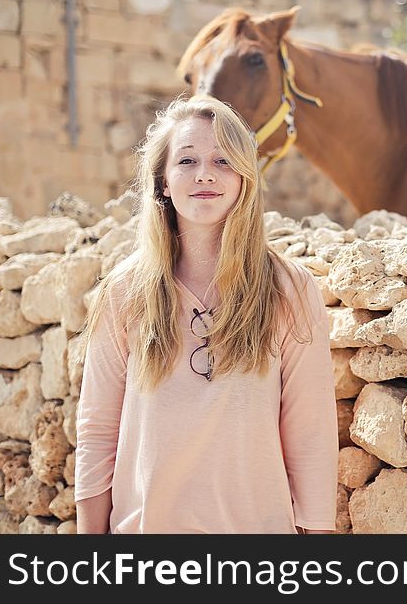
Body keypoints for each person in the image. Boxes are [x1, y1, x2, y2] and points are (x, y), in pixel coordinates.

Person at [74, 95, 338, 534]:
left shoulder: (288, 289)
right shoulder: (125, 290)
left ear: (244, 178)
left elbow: (310, 433)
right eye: (187, 160)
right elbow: (98, 428)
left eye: (222, 160)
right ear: (162, 180)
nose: (204, 174)